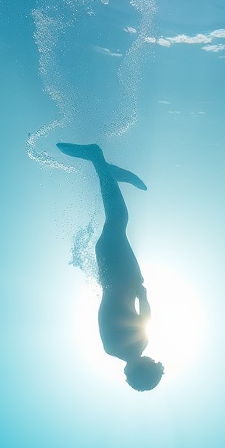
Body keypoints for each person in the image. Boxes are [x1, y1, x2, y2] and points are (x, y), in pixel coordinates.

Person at [57, 142, 165, 391]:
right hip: (107, 268)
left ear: (146, 367)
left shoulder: (139, 343)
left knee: (118, 219)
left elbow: (145, 308)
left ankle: (100, 162)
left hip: (121, 274)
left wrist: (139, 288)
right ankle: (107, 172)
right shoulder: (110, 349)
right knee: (116, 220)